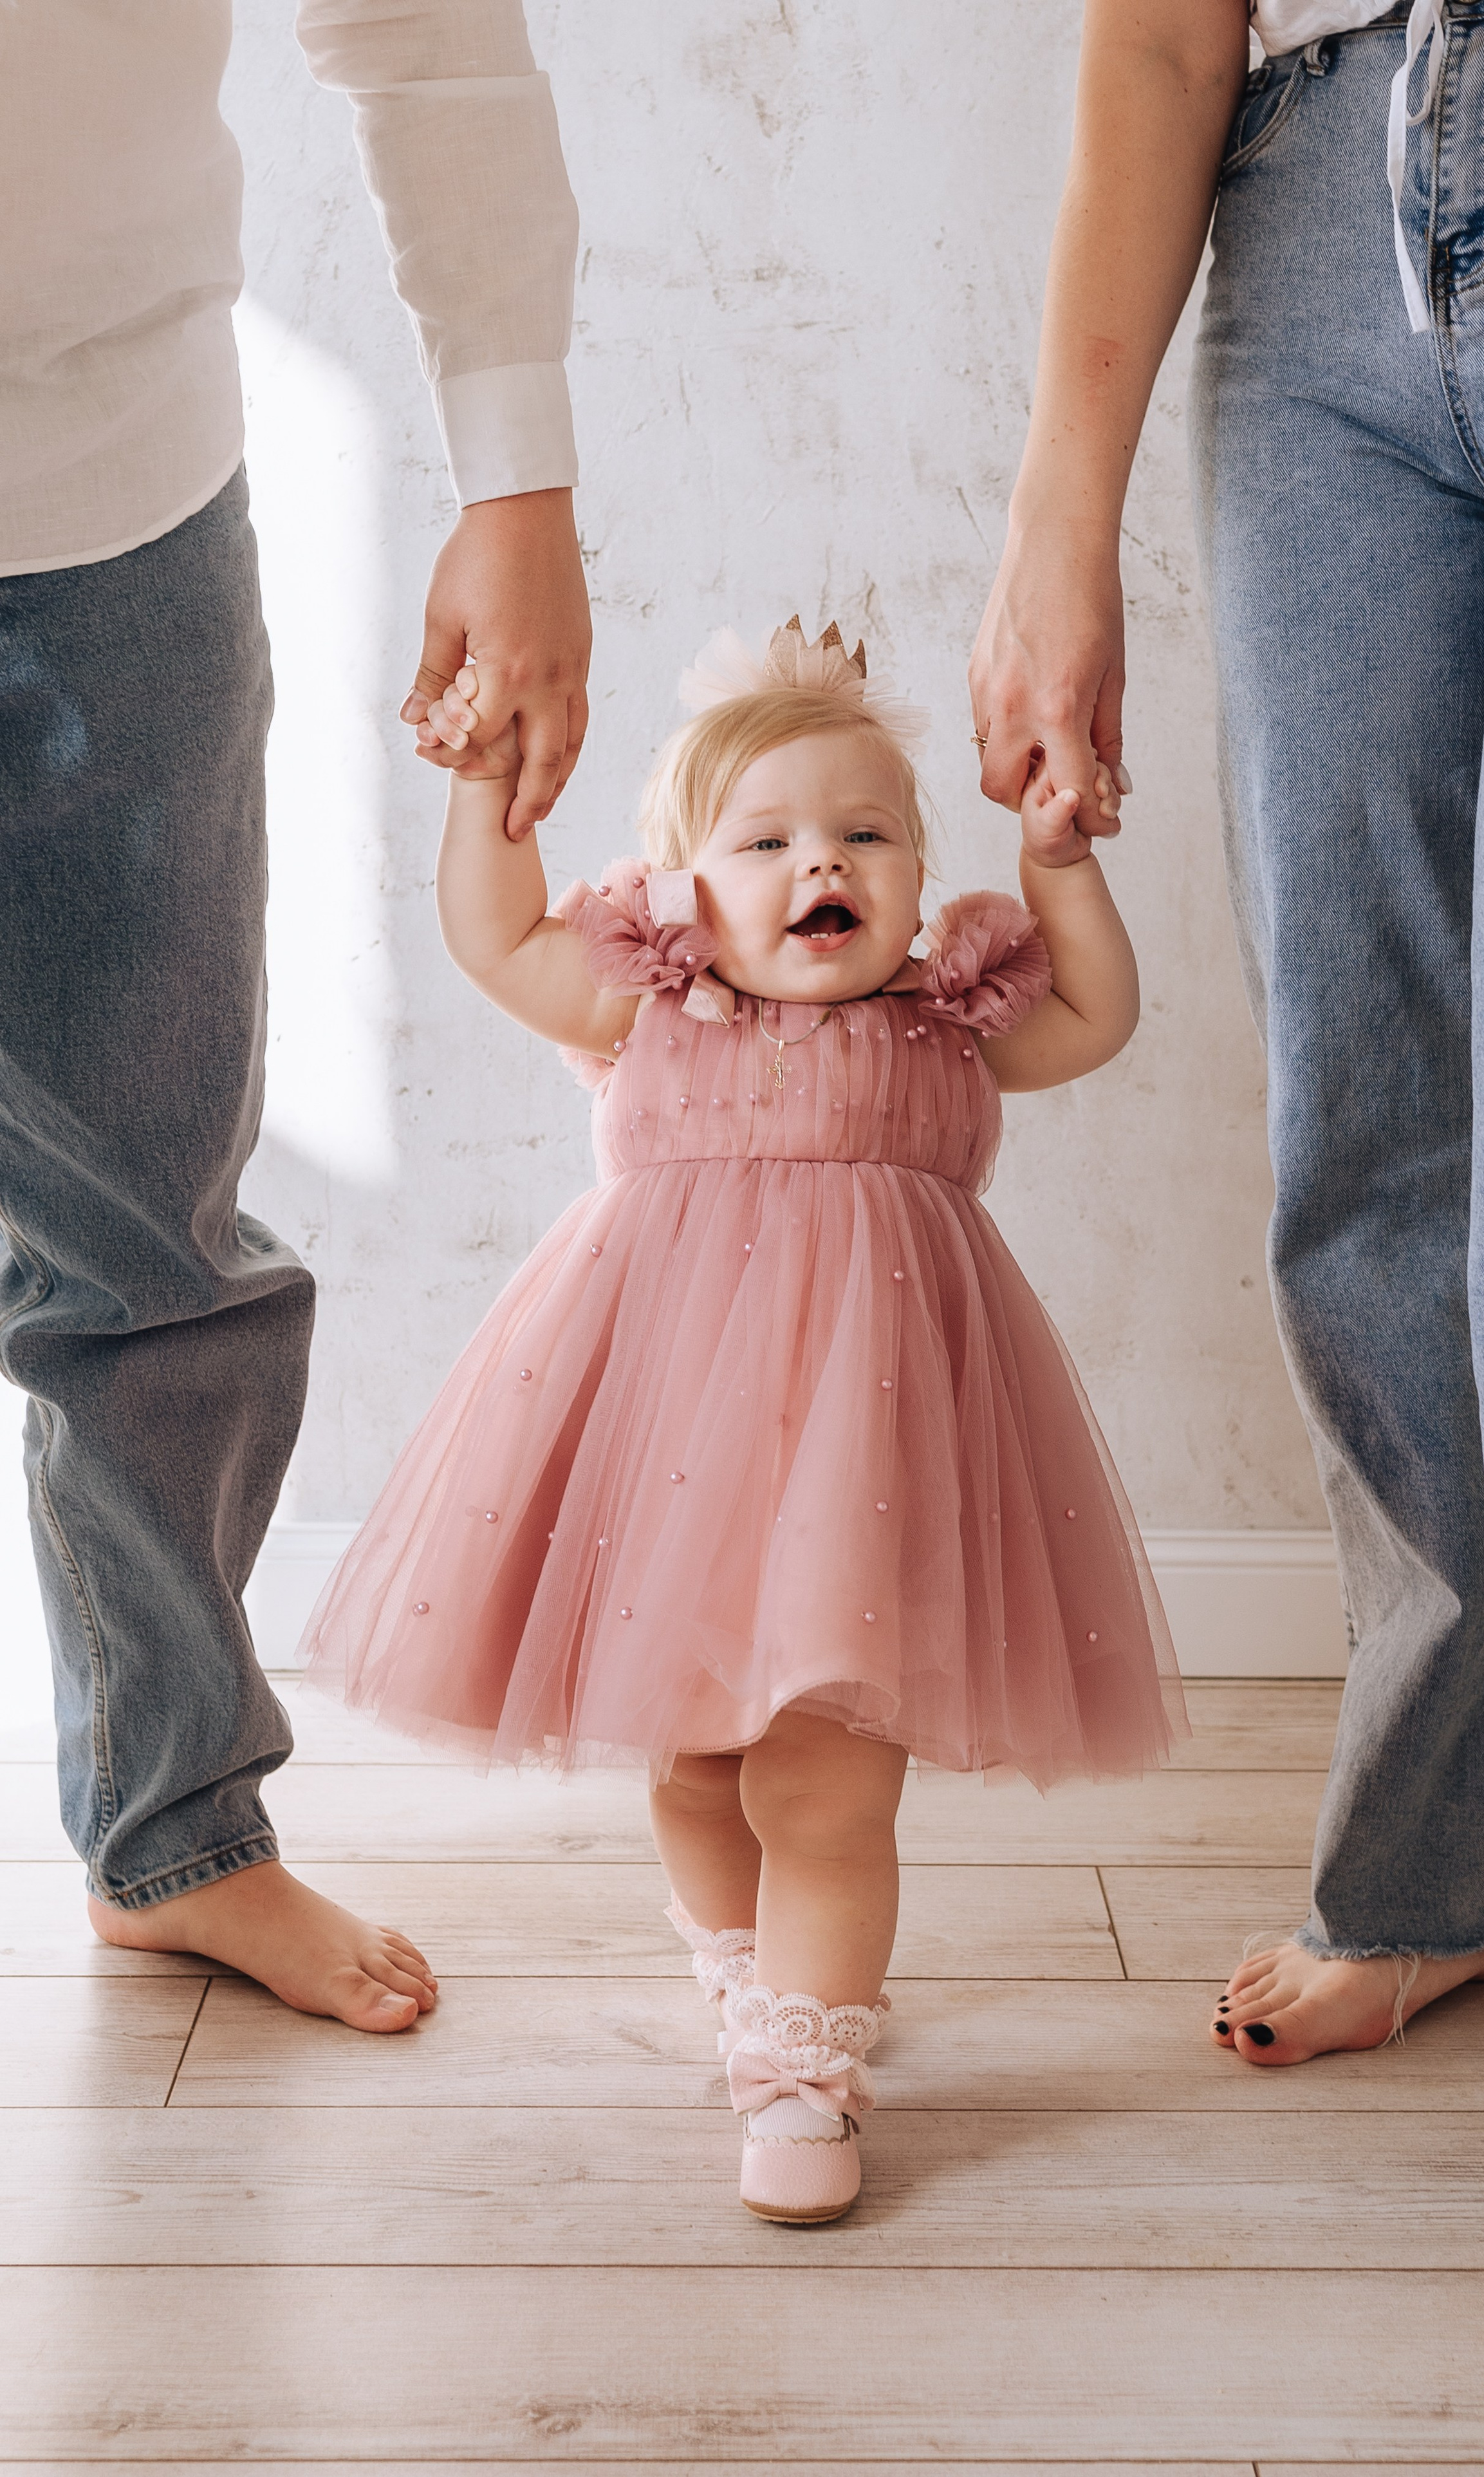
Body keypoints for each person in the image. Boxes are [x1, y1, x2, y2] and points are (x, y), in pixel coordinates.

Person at [969, 0, 1484, 2165]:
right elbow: (1166, 29)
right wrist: (1056, 526)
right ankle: (1464, 1862)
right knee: (1369, 1137)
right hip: (1316, 214)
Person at [299, 616, 1185, 2219]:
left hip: (876, 1465)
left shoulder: (946, 1024)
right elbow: (495, 939)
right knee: (698, 1768)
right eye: (762, 840)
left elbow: (1099, 1018)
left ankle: (803, 2068)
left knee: (824, 1782)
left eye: (864, 835)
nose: (816, 865)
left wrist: (1058, 864)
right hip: (674, 1455)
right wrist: (486, 786)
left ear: (919, 883)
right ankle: (746, 1976)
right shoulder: (651, 1008)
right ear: (681, 895)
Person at [0, 0, 591, 2031]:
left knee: (150, 1242)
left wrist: (518, 480)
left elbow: (429, 42)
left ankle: (173, 1834)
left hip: (119, 508)